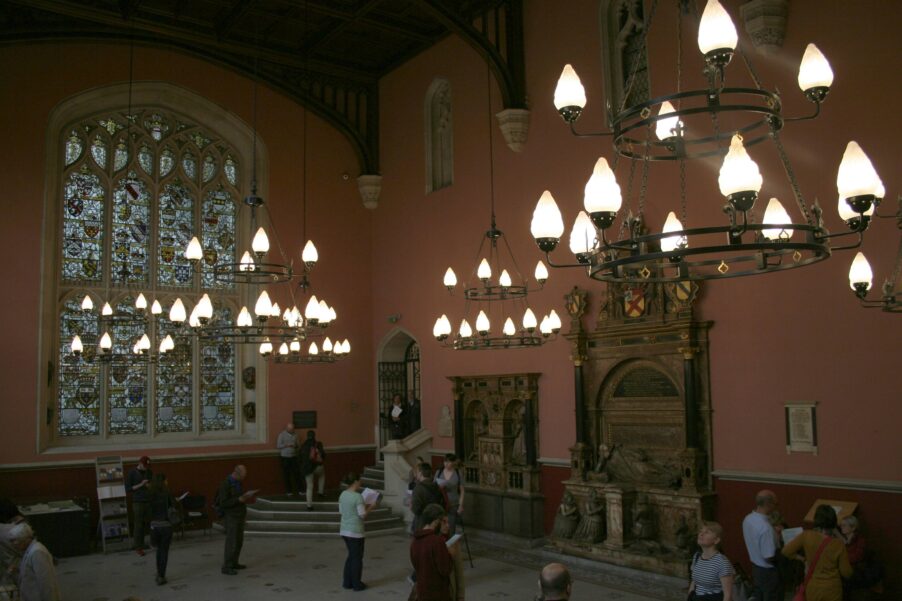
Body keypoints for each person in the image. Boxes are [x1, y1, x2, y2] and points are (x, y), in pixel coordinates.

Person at [781, 504, 851, 601]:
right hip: (833, 588)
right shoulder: (838, 544)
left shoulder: (806, 535)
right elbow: (846, 573)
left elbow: (785, 551)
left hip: (813, 586)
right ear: (834, 521)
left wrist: (803, 559)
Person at [410, 503, 456, 601]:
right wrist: (450, 555)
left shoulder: (415, 541)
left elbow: (415, 565)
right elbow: (445, 570)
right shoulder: (436, 541)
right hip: (437, 593)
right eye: (441, 521)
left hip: (422, 593)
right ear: (436, 522)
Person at [338, 471, 376, 592]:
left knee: (351, 556)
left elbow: (341, 511)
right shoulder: (357, 496)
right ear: (355, 482)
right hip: (356, 531)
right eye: (359, 480)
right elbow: (362, 515)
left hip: (344, 529)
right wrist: (371, 507)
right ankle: (356, 584)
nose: (361, 482)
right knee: (357, 558)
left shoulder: (343, 494)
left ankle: (347, 582)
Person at [742, 489, 781, 601]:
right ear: (768, 504)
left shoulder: (748, 519)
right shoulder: (765, 528)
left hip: (756, 567)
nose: (776, 507)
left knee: (758, 596)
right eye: (776, 504)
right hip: (768, 572)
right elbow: (769, 555)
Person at [218, 464, 257, 575]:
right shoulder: (225, 484)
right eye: (243, 476)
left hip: (239, 515)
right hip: (231, 516)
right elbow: (223, 503)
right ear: (236, 473)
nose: (244, 478)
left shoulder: (238, 482)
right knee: (232, 541)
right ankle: (227, 566)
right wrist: (239, 499)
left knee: (239, 541)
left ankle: (234, 562)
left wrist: (245, 496)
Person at [7, 521, 61, 601]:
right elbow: (32, 573)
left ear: (25, 539)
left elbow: (46, 583)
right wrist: (18, 570)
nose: (13, 544)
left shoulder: (37, 552)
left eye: (14, 540)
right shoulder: (29, 550)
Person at [688, 521, 734, 601]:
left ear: (716, 540)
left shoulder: (722, 562)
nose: (701, 534)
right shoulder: (697, 556)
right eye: (701, 531)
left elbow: (728, 595)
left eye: (707, 532)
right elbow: (694, 583)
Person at [147, 473, 176, 585]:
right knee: (164, 551)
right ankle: (161, 576)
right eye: (166, 480)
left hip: (155, 526)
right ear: (163, 481)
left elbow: (148, 511)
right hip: (166, 525)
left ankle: (158, 573)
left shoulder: (150, 493)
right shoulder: (167, 493)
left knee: (158, 551)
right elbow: (172, 506)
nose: (167, 482)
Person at [126, 455, 153, 555]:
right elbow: (129, 489)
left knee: (148, 523)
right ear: (140, 463)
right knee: (138, 524)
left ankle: (144, 543)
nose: (146, 467)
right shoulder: (132, 473)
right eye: (145, 465)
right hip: (138, 501)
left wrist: (149, 485)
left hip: (148, 500)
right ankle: (138, 546)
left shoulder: (149, 472)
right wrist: (141, 484)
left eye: (147, 466)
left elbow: (152, 485)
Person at [435, 453, 465, 533]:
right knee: (439, 527)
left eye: (448, 462)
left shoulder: (458, 473)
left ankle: (450, 544)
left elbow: (462, 491)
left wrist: (460, 505)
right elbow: (433, 487)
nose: (446, 464)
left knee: (451, 527)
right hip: (440, 503)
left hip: (453, 503)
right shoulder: (439, 472)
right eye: (445, 462)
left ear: (454, 462)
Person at [299, 430, 326, 510]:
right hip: (317, 467)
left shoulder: (303, 445)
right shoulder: (318, 444)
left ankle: (309, 506)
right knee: (322, 475)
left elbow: (299, 458)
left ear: (307, 436)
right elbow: (323, 455)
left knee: (309, 486)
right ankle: (320, 492)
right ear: (314, 436)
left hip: (307, 469)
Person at [276, 422, 300, 496]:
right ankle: (289, 491)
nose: (292, 430)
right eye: (290, 429)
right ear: (287, 428)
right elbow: (278, 445)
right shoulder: (281, 435)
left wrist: (295, 446)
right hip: (285, 457)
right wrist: (287, 445)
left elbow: (298, 445)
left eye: (293, 429)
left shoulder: (296, 435)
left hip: (294, 457)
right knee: (286, 475)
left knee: (296, 474)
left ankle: (299, 490)